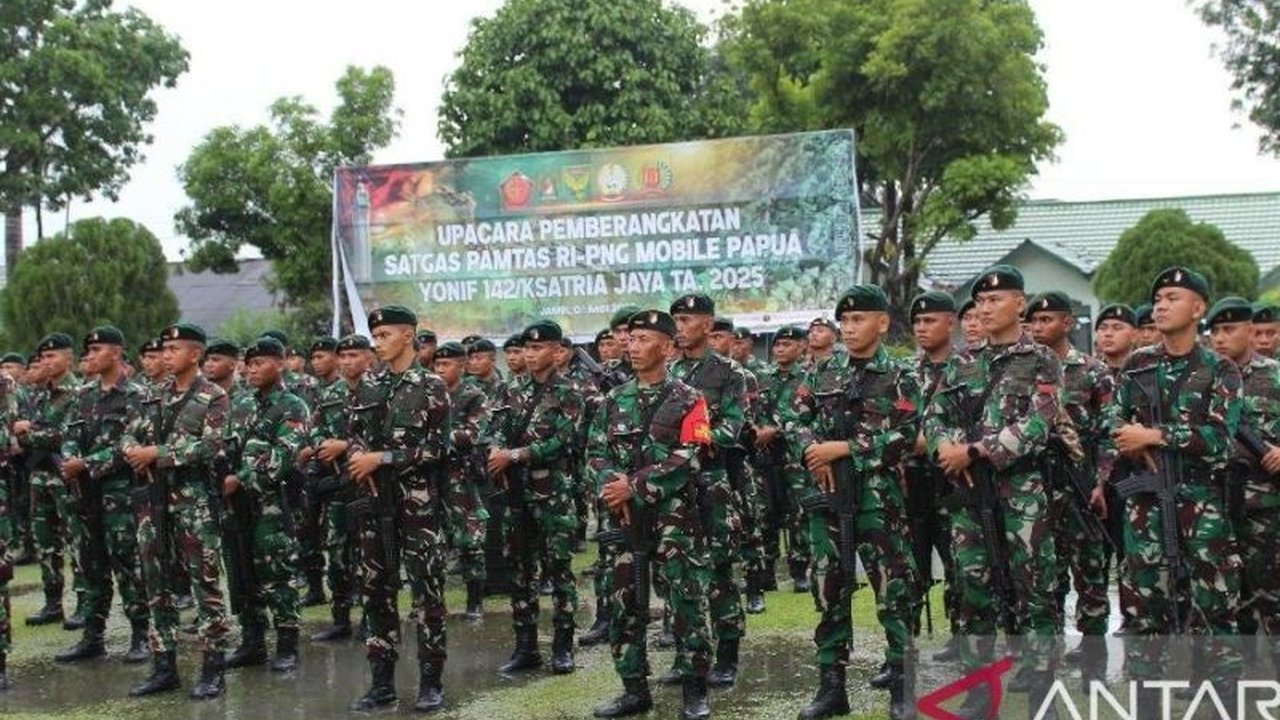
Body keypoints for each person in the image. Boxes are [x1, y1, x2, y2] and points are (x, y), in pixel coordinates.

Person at [1095, 268, 1244, 706]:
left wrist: (1155, 437)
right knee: (1143, 611)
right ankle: (1146, 703)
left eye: (1172, 297)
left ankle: (1219, 703)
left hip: (1202, 509)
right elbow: (1110, 421)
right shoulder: (1139, 364)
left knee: (1215, 611)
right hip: (1144, 507)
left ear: (1198, 309)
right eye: (1157, 297)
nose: (1160, 305)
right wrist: (1128, 438)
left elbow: (1220, 438)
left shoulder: (1220, 369)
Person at [924, 266, 1063, 717]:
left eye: (995, 301)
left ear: (1019, 305)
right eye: (980, 301)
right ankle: (980, 691)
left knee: (1034, 592)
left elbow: (1040, 423)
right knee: (971, 592)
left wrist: (978, 450)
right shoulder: (964, 362)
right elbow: (935, 413)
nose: (984, 309)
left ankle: (1043, 690)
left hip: (1021, 495)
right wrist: (945, 444)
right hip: (968, 497)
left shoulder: (1042, 360)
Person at [789, 285, 920, 720]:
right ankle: (831, 687)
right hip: (826, 499)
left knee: (893, 592)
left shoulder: (900, 375)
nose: (848, 328)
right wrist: (813, 450)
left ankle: (903, 687)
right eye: (843, 321)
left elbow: (905, 438)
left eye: (858, 319)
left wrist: (844, 449)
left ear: (882, 323)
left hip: (877, 502)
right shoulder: (823, 372)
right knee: (829, 591)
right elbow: (793, 418)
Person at [588, 309, 713, 720]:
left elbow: (693, 454)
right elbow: (596, 453)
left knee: (686, 603)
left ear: (666, 346)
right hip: (624, 519)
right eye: (631, 338)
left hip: (675, 519)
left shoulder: (690, 399)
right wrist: (613, 485)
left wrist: (636, 485)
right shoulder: (612, 400)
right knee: (625, 602)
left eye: (643, 339)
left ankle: (695, 691)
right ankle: (633, 690)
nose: (633, 346)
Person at [346, 306, 451, 713]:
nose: (378, 342)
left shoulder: (431, 385)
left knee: (427, 594)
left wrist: (384, 459)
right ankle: (382, 683)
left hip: (417, 506)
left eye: (385, 334)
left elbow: (440, 448)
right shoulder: (369, 386)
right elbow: (354, 436)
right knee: (375, 592)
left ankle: (430, 682)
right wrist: (359, 458)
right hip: (374, 505)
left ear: (408, 336)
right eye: (375, 335)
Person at [123, 322, 232, 700]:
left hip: (194, 504)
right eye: (163, 350)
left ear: (195, 354)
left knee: (205, 587)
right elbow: (129, 433)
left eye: (173, 350)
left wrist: (159, 454)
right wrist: (132, 452)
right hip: (153, 502)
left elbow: (213, 446)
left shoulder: (213, 395)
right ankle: (164, 665)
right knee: (156, 584)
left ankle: (213, 668)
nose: (165, 356)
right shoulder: (152, 394)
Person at [488, 320, 584, 676]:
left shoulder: (569, 392)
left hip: (553, 495)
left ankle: (562, 646)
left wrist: (514, 456)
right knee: (520, 570)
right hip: (515, 494)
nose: (529, 355)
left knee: (558, 569)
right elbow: (491, 430)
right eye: (526, 348)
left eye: (537, 348)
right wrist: (495, 450)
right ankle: (526, 646)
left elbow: (564, 440)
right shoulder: (508, 391)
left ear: (557, 352)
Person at [1025, 292, 1114, 681]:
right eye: (1034, 321)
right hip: (1034, 487)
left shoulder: (1093, 372)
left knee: (1090, 576)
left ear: (1068, 323)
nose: (1039, 327)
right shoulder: (1022, 370)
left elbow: (1110, 431)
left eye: (1048, 320)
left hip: (1079, 487)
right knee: (1044, 577)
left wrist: (1102, 482)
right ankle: (1048, 657)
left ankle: (1094, 660)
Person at [54, 326, 150, 665]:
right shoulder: (83, 395)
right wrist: (69, 458)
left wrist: (86, 463)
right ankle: (93, 637)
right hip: (86, 495)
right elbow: (69, 435)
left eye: (96, 350)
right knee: (90, 566)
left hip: (120, 496)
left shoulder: (137, 396)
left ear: (116, 353)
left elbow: (130, 445)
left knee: (128, 566)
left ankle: (142, 635)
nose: (90, 357)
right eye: (88, 351)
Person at [669, 294, 748, 687]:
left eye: (685, 319)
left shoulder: (730, 374)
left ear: (707, 323)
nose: (679, 327)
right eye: (676, 320)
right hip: (673, 486)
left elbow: (733, 429)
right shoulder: (667, 372)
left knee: (719, 570)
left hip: (712, 483)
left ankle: (728, 654)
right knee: (679, 572)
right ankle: (687, 655)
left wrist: (693, 439)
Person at [1205, 297, 1279, 674]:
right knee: (1223, 603)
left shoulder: (1274, 376)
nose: (1220, 338)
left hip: (1263, 507)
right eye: (1214, 331)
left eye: (1229, 329)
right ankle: (1233, 683)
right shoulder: (1203, 377)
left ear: (1250, 331)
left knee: (1270, 598)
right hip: (1211, 507)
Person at [303, 333, 374, 642]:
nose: (347, 362)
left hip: (370, 486)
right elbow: (314, 431)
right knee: (338, 554)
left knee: (371, 555)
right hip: (338, 488)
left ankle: (373, 618)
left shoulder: (380, 392)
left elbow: (387, 437)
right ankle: (340, 618)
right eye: (342, 357)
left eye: (354, 356)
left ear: (369, 358)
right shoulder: (330, 394)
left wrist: (344, 445)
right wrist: (321, 445)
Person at [903, 291, 962, 661]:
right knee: (908, 566)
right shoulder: (906, 373)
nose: (923, 328)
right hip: (910, 481)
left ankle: (961, 637)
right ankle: (901, 649)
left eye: (930, 321)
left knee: (960, 565)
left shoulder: (969, 368)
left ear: (950, 323)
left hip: (954, 482)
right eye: (918, 323)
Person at [15, 333, 85, 629]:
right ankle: (53, 602)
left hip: (66, 476)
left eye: (53, 356)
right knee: (45, 543)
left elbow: (65, 434)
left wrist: (27, 432)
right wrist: (29, 432)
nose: (47, 362)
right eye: (43, 357)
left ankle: (84, 604)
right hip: (40, 477)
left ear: (69, 359)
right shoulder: (40, 394)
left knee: (76, 542)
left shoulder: (80, 393)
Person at [433, 341, 491, 620]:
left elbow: (473, 433)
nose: (441, 369)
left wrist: (435, 440)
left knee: (470, 540)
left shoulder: (473, 395)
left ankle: (475, 601)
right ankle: (434, 602)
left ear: (462, 366)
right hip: (432, 475)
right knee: (433, 541)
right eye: (437, 364)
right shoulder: (430, 393)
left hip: (461, 476)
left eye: (447, 364)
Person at [753, 326, 812, 593]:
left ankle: (799, 571)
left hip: (795, 457)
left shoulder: (810, 378)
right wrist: (757, 429)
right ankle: (766, 572)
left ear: (802, 347)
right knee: (766, 513)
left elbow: (807, 417)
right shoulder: (761, 377)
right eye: (777, 345)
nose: (780, 349)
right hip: (765, 457)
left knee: (799, 513)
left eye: (787, 344)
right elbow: (751, 409)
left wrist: (776, 430)